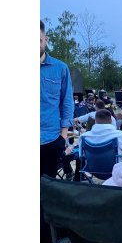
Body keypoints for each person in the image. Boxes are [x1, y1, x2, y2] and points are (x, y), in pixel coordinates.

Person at [40, 20, 74, 178]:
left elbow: (67, 102)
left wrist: (63, 136)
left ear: (45, 40)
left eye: (38, 40)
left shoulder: (60, 68)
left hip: (51, 139)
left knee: (47, 191)